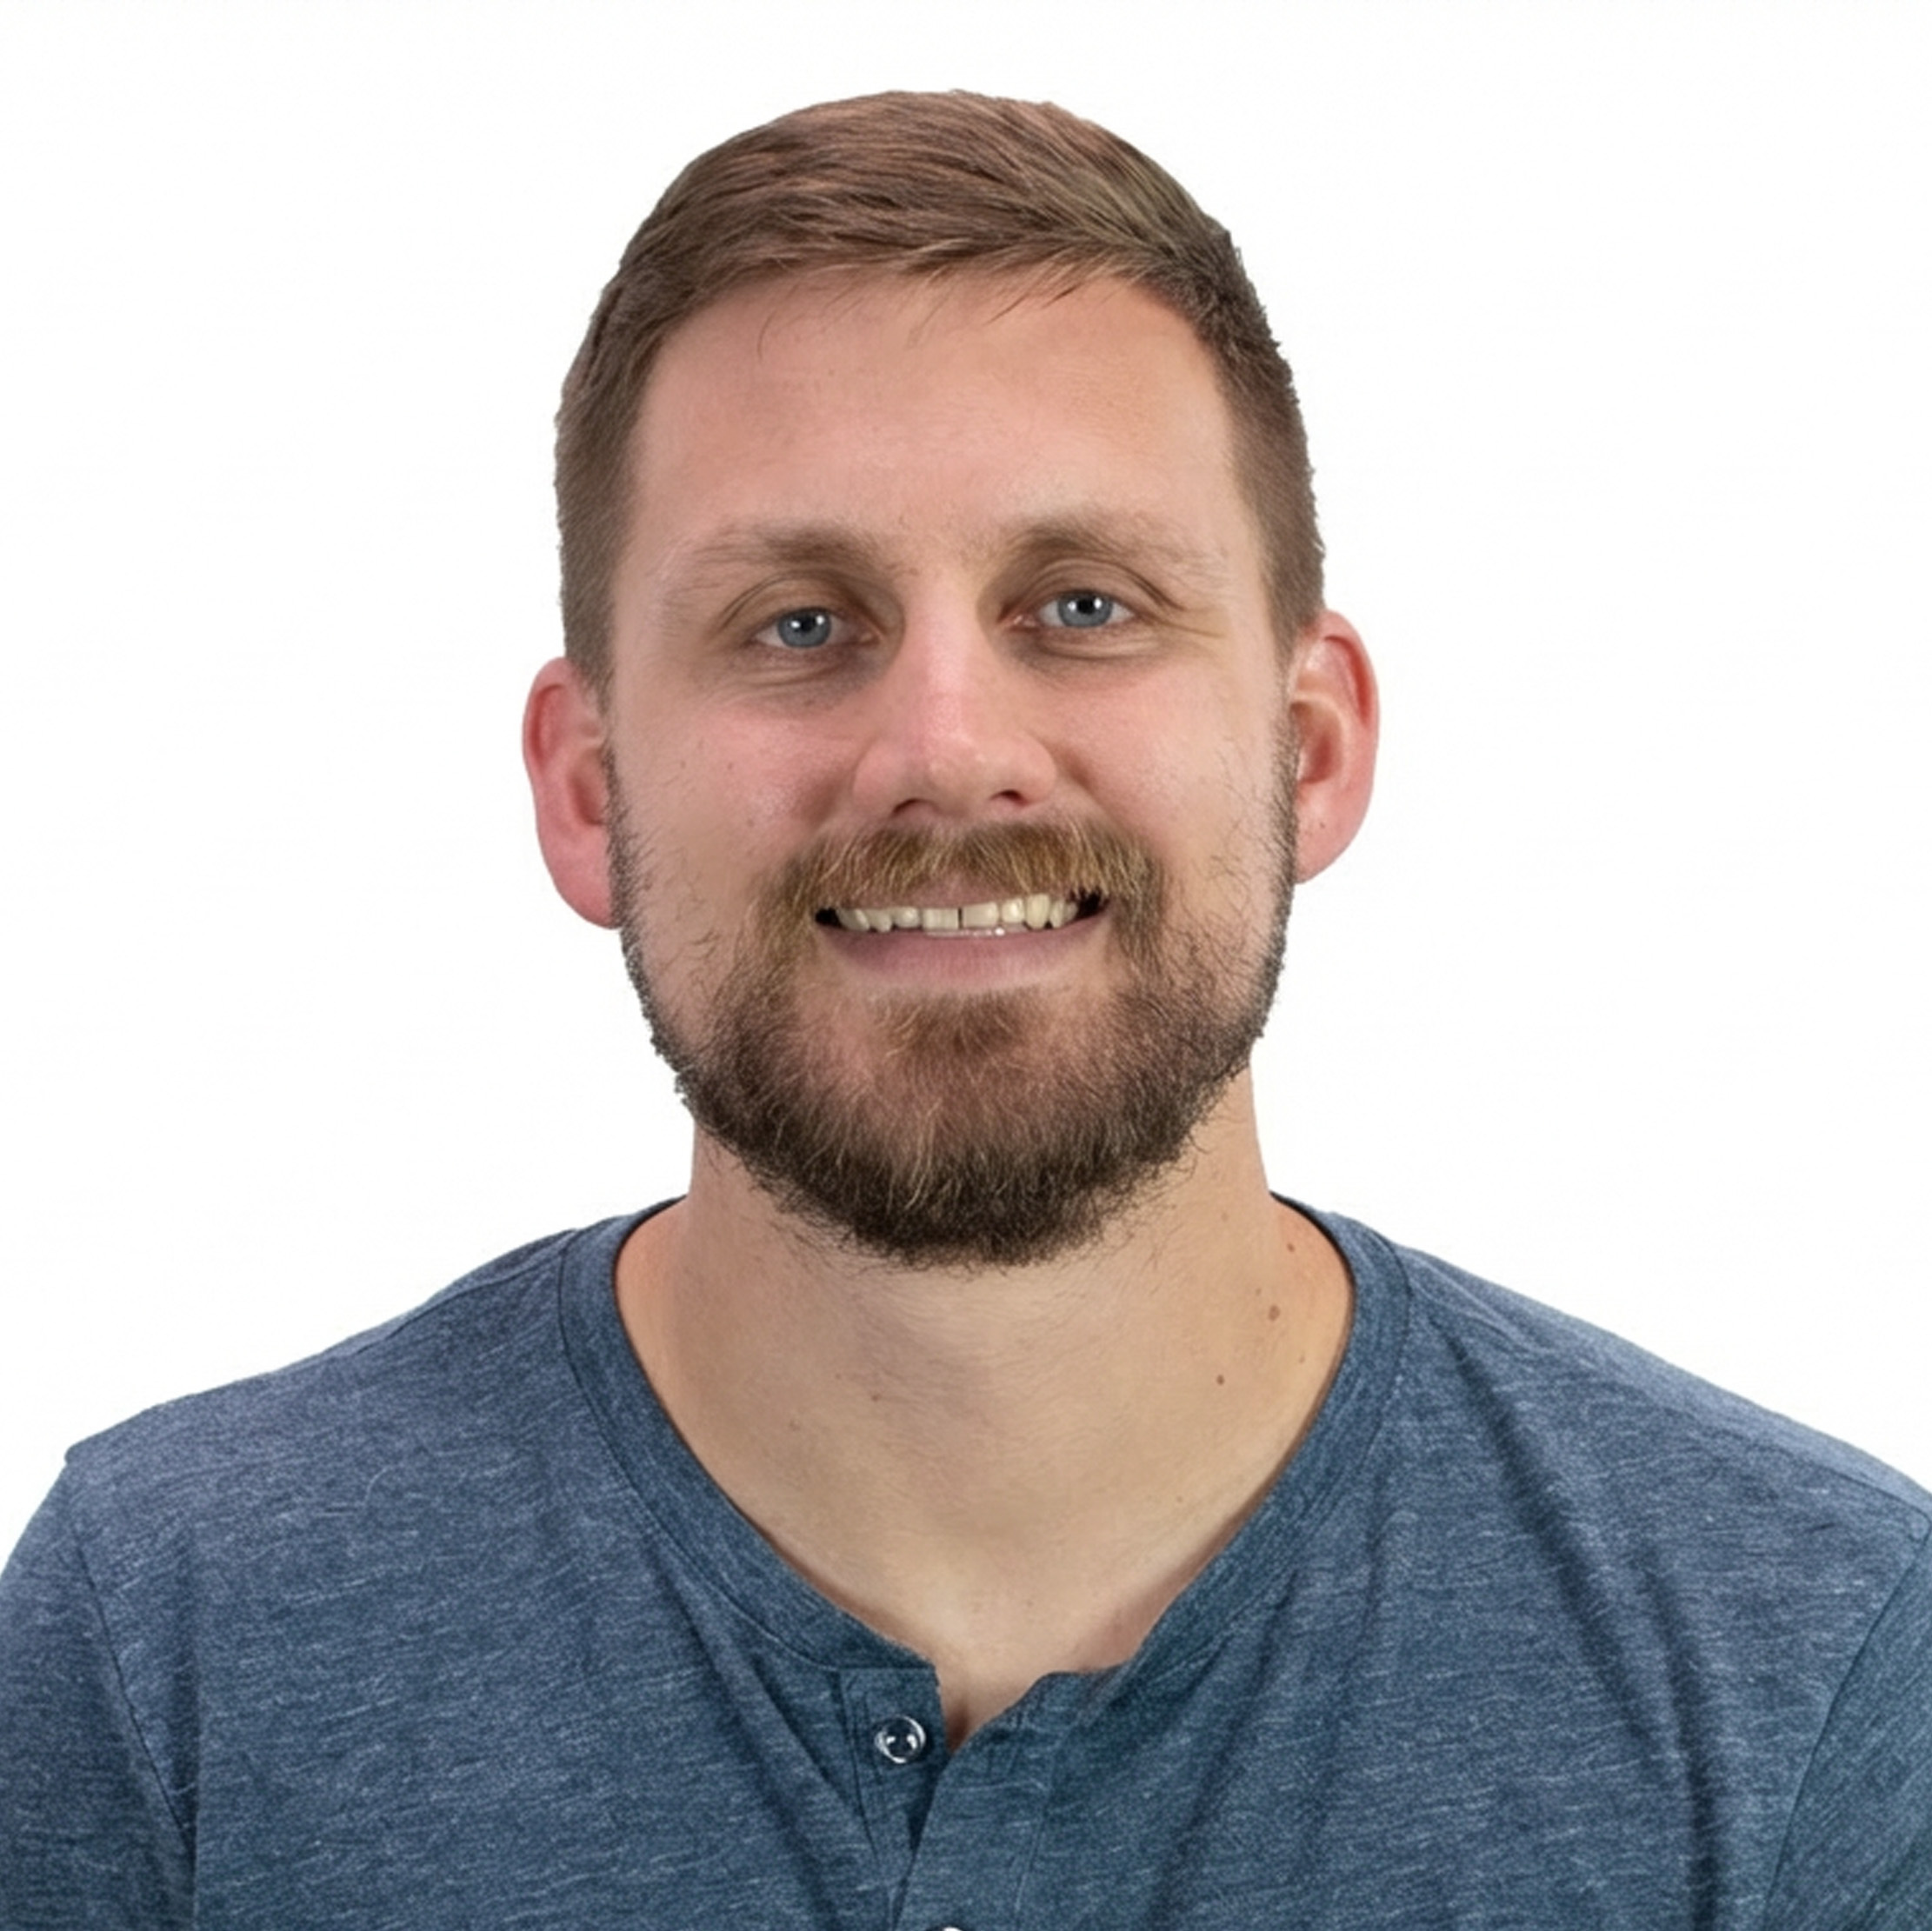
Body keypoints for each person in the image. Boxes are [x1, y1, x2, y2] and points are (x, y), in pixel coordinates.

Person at [2, 90, 1927, 1928]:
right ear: (587, 789)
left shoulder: (1814, 1672)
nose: (944, 748)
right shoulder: (170, 1634)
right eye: (797, 623)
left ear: (1310, 742)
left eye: (1080, 604)